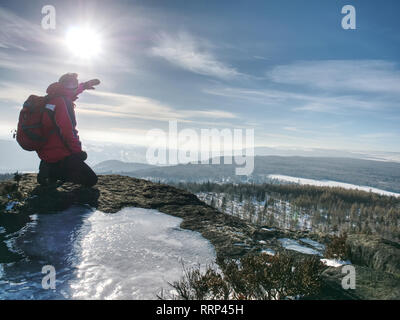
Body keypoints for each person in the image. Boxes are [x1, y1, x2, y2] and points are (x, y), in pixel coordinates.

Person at [36, 73, 99, 187]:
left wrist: (84, 85)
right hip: (60, 153)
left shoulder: (53, 97)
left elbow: (71, 92)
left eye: (74, 83)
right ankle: (52, 173)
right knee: (91, 180)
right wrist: (78, 152)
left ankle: (48, 167)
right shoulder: (62, 102)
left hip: (46, 151)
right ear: (62, 85)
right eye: (68, 84)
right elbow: (67, 131)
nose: (72, 87)